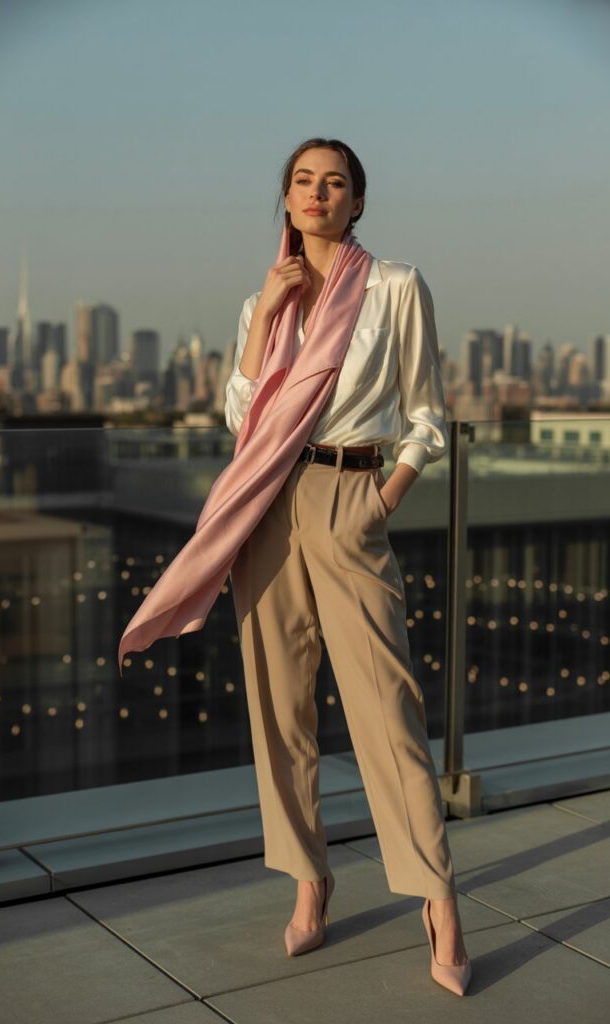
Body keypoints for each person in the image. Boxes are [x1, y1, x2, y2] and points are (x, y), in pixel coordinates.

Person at [225, 138, 471, 995]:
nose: (318, 193)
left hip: (350, 498)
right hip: (266, 504)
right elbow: (242, 418)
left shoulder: (394, 286)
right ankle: (309, 879)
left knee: (387, 710)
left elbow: (427, 413)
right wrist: (266, 315)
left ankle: (438, 899)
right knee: (280, 706)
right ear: (287, 198)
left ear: (357, 202)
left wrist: (382, 498)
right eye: (303, 181)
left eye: (335, 183)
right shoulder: (264, 299)